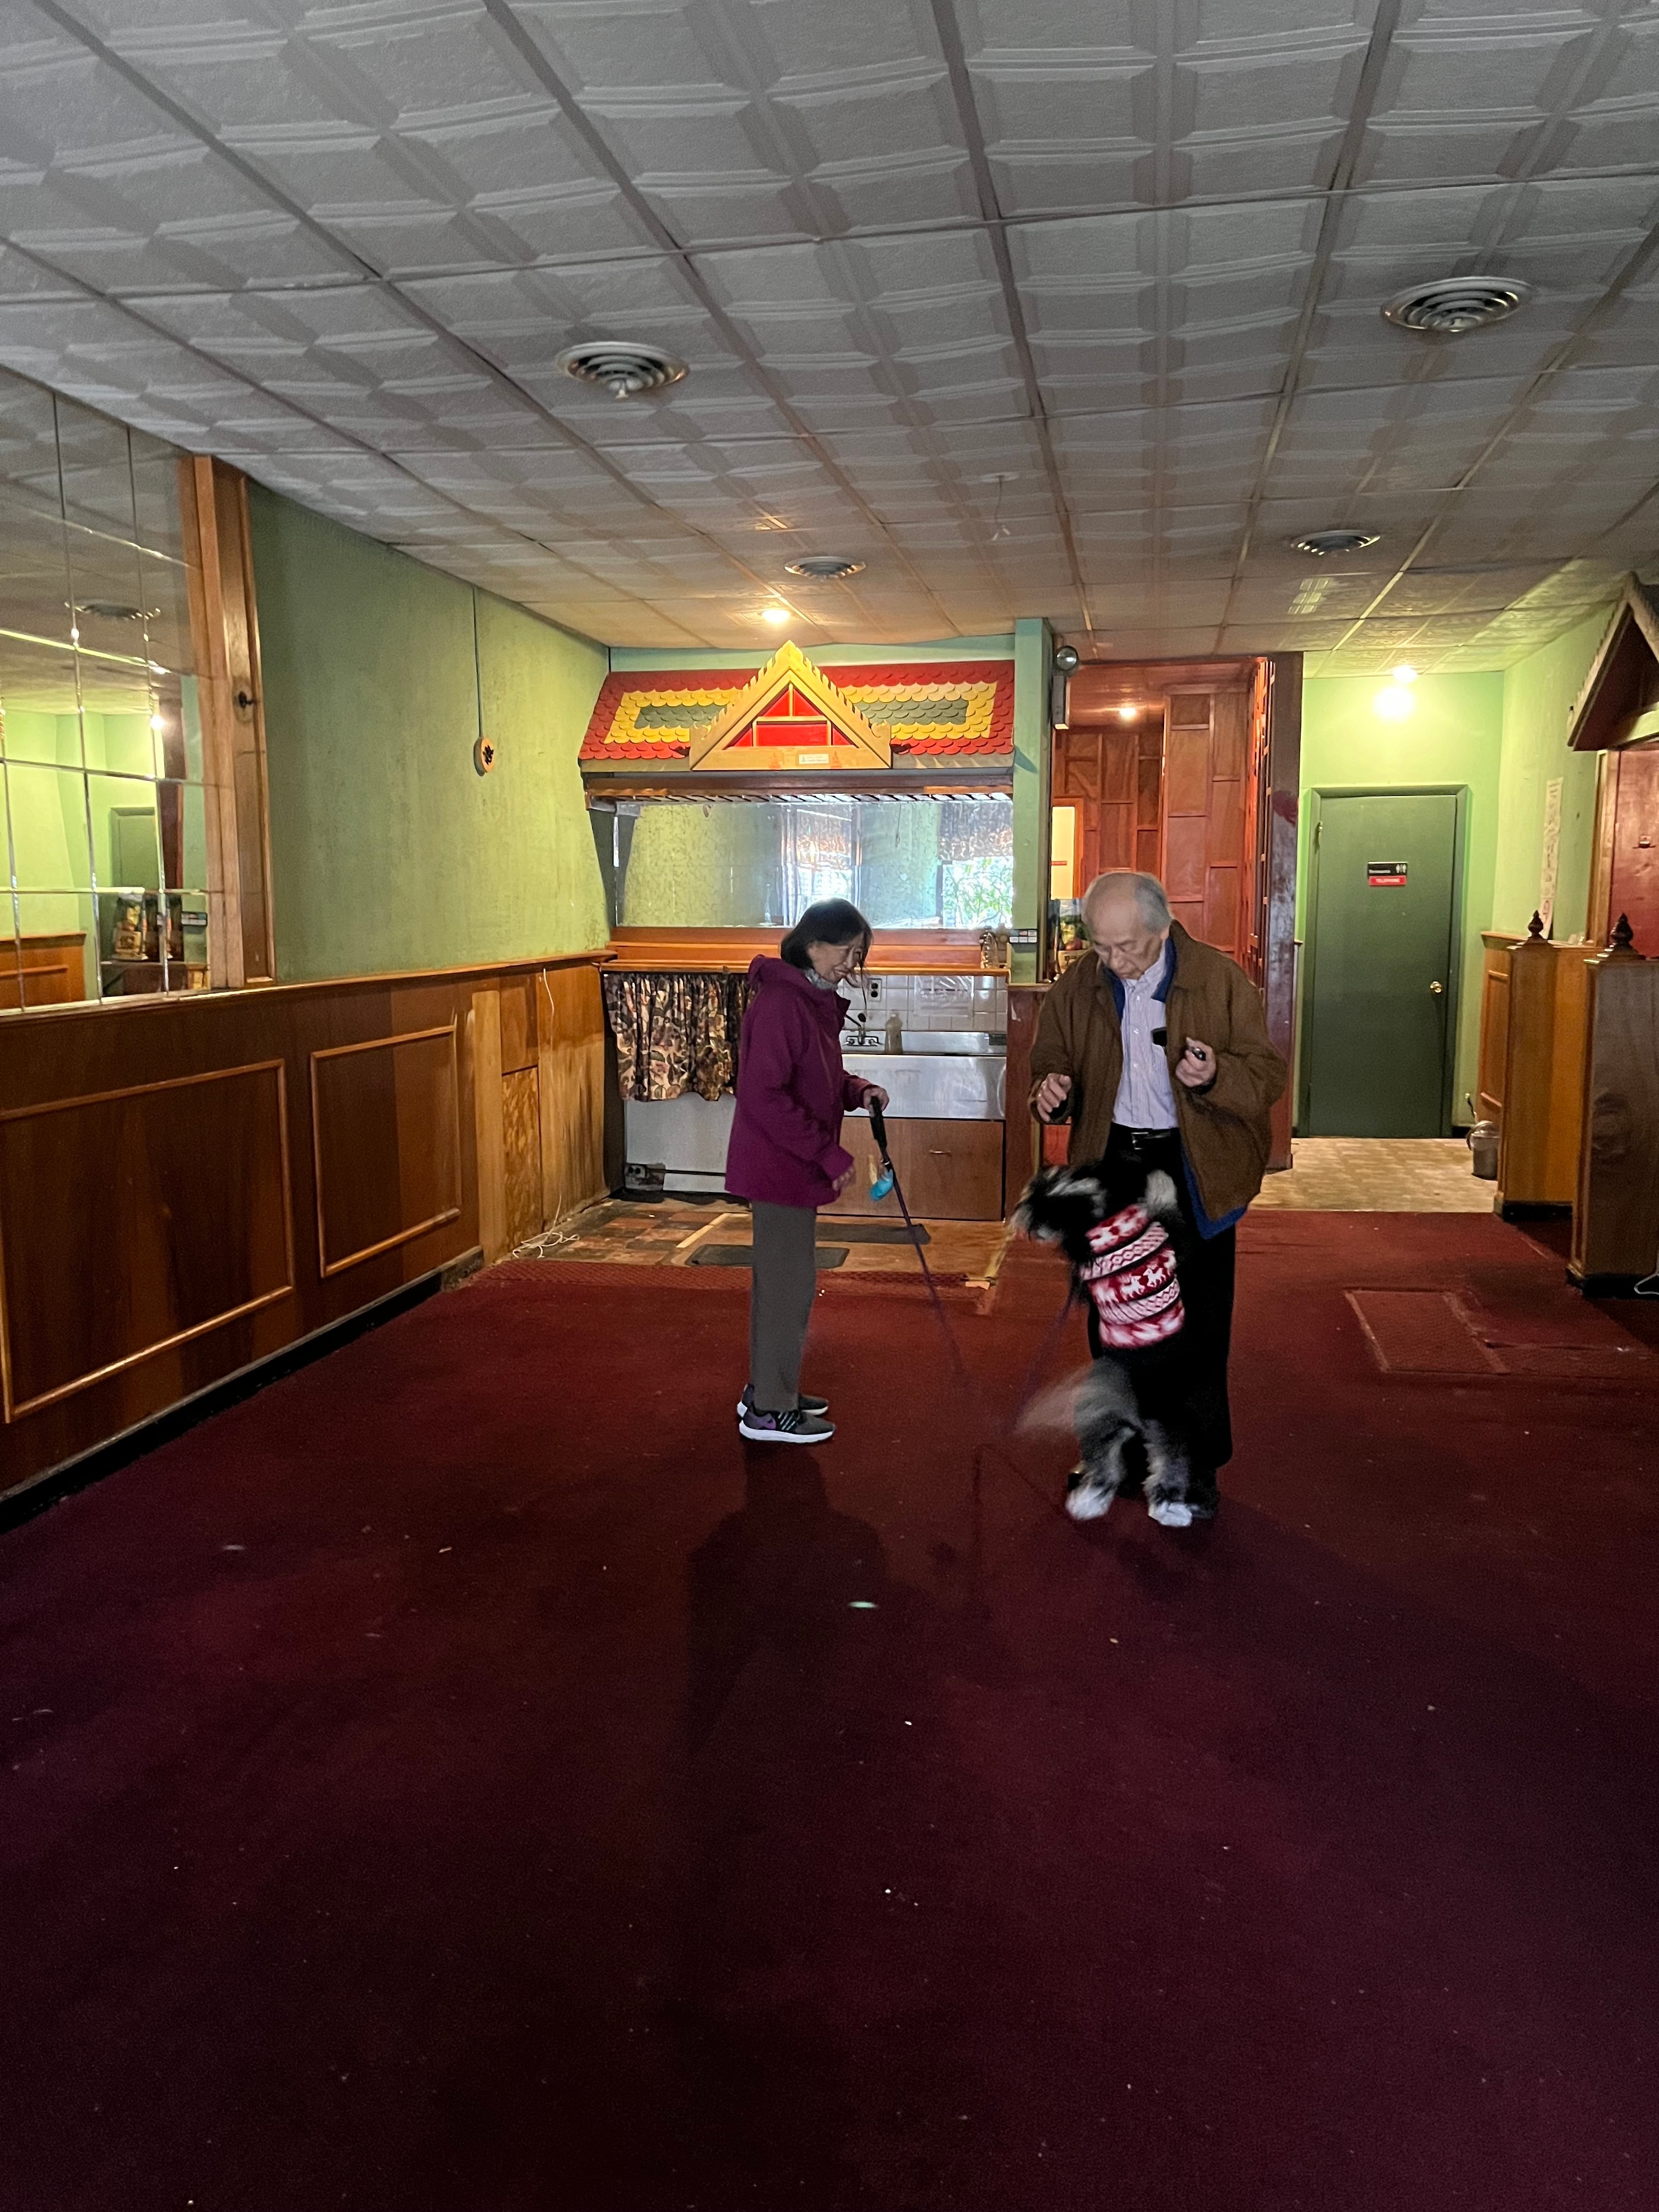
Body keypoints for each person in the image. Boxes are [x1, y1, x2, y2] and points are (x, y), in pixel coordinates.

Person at [1028, 870, 1285, 1517]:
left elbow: (1266, 1076)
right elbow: (1049, 1058)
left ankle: (1194, 1465)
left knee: (1196, 1322)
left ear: (1162, 930)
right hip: (1117, 1159)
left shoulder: (1219, 980)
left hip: (1195, 1162)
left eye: (1128, 948)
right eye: (1102, 946)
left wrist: (1216, 1074)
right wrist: (1050, 1089)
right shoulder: (1082, 983)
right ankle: (1117, 1453)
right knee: (1116, 1319)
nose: (1114, 961)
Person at [725, 899, 888, 1444]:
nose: (850, 964)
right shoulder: (780, 1004)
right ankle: (771, 1409)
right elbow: (765, 1097)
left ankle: (771, 1392)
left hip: (790, 1167)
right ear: (813, 943)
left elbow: (817, 1078)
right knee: (787, 1287)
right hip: (779, 1167)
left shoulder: (808, 1001)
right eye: (846, 951)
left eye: (857, 956)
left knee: (786, 1284)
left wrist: (857, 1090)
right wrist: (827, 1153)